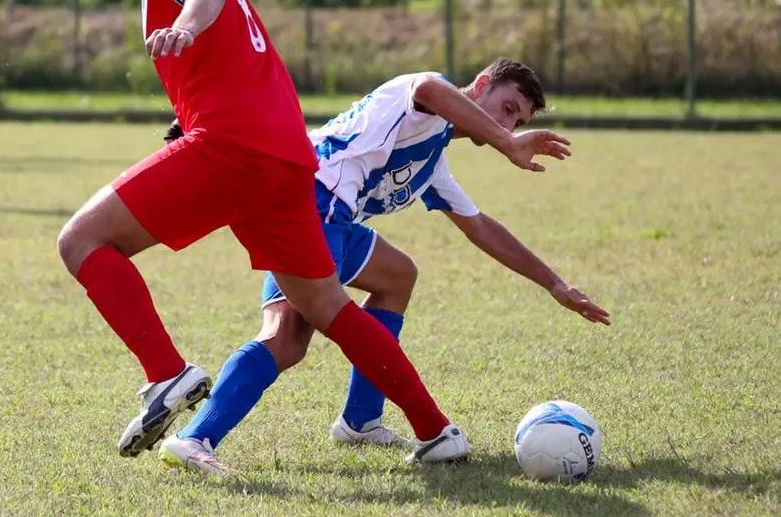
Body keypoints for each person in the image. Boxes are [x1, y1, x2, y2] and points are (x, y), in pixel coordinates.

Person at [59, 0, 573, 464]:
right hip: (284, 159)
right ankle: (436, 431)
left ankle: (166, 373)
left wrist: (188, 28)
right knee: (324, 309)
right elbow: (235, 40)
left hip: (233, 149)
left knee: (80, 242)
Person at [161, 59, 611, 475]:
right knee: (287, 340)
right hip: (308, 201)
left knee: (397, 276)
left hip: (324, 214)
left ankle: (360, 420)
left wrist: (555, 284)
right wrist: (507, 142)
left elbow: (480, 228)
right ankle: (195, 437)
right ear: (479, 86)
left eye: (519, 121)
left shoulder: (432, 155)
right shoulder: (420, 97)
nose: (508, 123)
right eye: (507, 107)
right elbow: (429, 87)